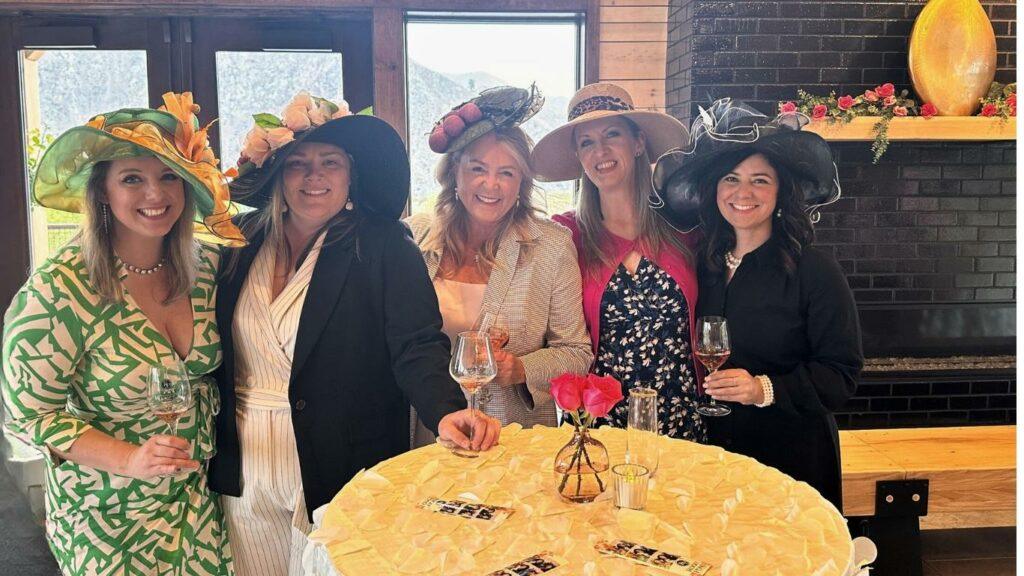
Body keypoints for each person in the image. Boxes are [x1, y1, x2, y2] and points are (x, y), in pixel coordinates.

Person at [209, 92, 501, 576]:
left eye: (330, 162)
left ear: (350, 176)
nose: (314, 176)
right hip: (245, 464)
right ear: (279, 175)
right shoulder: (239, 243)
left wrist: (447, 411)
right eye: (297, 163)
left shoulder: (384, 244)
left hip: (341, 458)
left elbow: (416, 344)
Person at [2, 93, 244, 575]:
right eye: (132, 178)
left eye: (169, 176)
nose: (156, 195)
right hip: (105, 517)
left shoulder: (211, 267)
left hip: (198, 505)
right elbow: (27, 414)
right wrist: (130, 459)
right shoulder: (60, 289)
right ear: (102, 192)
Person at [651, 97, 863, 509]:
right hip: (713, 454)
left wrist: (761, 388)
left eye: (759, 180)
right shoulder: (704, 265)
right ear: (714, 188)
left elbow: (842, 372)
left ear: (781, 191)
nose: (743, 192)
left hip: (792, 457)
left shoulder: (814, 271)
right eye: (731, 179)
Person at [408, 85, 592, 446]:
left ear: (521, 182)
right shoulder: (414, 238)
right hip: (423, 435)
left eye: (507, 173)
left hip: (511, 440)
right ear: (454, 173)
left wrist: (521, 369)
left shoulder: (551, 246)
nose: (491, 184)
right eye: (478, 168)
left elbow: (576, 352)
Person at [533, 82, 705, 442]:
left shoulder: (684, 228)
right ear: (579, 158)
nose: (601, 151)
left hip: (683, 416)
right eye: (586, 142)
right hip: (600, 424)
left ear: (638, 142)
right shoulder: (566, 235)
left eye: (612, 134)